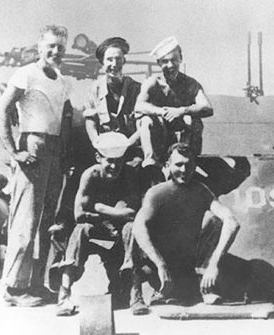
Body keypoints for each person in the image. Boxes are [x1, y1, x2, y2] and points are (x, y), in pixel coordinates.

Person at [0, 25, 72, 307]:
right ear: (39, 47)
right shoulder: (26, 73)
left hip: (54, 150)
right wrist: (14, 152)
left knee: (46, 222)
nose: (55, 51)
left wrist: (65, 157)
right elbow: (0, 109)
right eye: (50, 46)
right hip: (33, 146)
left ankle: (37, 284)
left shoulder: (62, 80)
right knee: (26, 219)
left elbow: (64, 119)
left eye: (61, 47)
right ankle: (14, 288)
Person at [131, 143, 240, 306]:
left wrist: (214, 264)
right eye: (178, 164)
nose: (184, 170)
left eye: (189, 165)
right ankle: (152, 291)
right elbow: (138, 227)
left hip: (187, 263)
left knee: (215, 220)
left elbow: (232, 222)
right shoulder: (157, 193)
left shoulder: (201, 190)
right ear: (167, 165)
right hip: (159, 266)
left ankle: (203, 285)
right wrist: (160, 264)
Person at [52, 132, 142, 316]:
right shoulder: (90, 175)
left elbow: (133, 213)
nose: (114, 165)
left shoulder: (129, 174)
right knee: (80, 231)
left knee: (131, 229)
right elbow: (79, 215)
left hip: (119, 228)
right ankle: (64, 295)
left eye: (119, 160)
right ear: (98, 157)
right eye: (109, 160)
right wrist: (115, 213)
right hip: (97, 226)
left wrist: (99, 207)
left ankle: (135, 293)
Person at [135, 36, 213, 181]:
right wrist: (162, 111)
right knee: (146, 120)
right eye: (165, 61)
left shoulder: (190, 84)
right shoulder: (152, 83)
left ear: (180, 59)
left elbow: (207, 108)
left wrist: (181, 111)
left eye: (174, 60)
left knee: (193, 120)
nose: (170, 65)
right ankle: (151, 165)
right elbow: (139, 106)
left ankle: (188, 163)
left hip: (182, 140)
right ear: (158, 63)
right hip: (160, 138)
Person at [84, 37, 141, 162]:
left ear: (124, 61)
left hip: (132, 149)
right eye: (109, 60)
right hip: (105, 150)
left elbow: (143, 125)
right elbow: (90, 121)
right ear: (102, 62)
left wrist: (127, 144)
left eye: (118, 59)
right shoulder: (94, 89)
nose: (114, 64)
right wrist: (97, 142)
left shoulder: (136, 89)